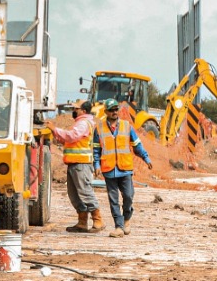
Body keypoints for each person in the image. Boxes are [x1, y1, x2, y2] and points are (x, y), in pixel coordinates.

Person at [93, 100, 153, 238]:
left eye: (116, 109)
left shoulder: (127, 127)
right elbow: (96, 149)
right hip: (109, 169)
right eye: (111, 110)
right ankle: (118, 226)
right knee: (113, 200)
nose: (114, 112)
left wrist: (146, 158)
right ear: (106, 112)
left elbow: (137, 145)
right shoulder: (99, 128)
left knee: (128, 196)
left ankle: (126, 218)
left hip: (125, 168)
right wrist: (96, 165)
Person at [51, 100, 104, 233]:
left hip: (81, 163)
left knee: (85, 192)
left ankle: (98, 220)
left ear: (83, 111)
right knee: (74, 194)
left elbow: (72, 136)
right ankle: (82, 221)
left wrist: (55, 129)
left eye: (76, 108)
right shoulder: (79, 123)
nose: (74, 110)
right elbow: (69, 139)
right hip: (74, 163)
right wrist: (56, 134)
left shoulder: (83, 123)